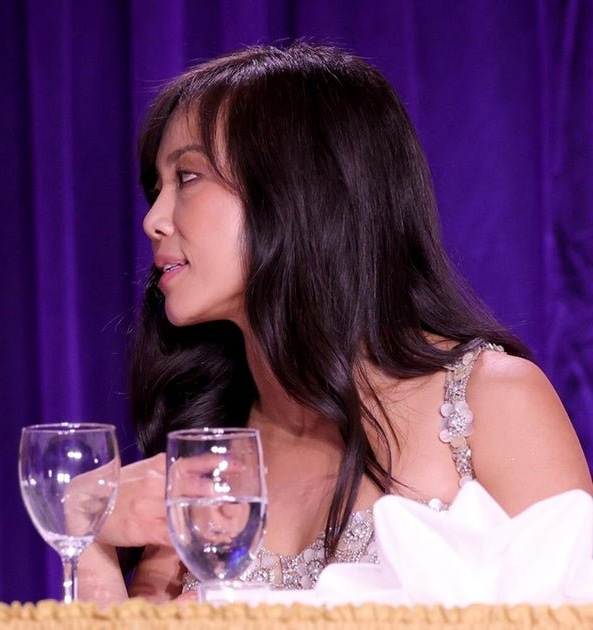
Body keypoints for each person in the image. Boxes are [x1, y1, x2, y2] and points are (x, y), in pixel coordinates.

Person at [78, 43, 593, 603]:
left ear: (300, 188)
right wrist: (87, 540)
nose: (153, 220)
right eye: (156, 189)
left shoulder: (488, 401)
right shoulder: (205, 454)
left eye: (188, 176)